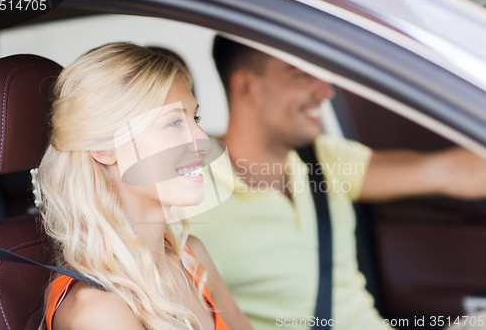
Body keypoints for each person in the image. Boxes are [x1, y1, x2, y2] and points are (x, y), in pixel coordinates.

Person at [187, 36, 486, 330]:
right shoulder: (190, 193)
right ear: (246, 87)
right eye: (302, 75)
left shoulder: (326, 159)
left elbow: (448, 172)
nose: (326, 91)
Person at [37, 42, 253, 330]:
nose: (202, 140)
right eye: (174, 122)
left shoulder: (191, 257)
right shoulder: (99, 312)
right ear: (104, 149)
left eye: (194, 118)